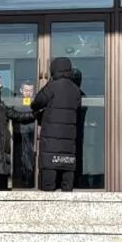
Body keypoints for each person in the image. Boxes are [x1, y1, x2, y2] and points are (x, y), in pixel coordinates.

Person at [31, 57, 82, 192]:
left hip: (51, 143)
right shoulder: (76, 90)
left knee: (48, 185)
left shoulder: (52, 87)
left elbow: (36, 103)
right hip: (69, 144)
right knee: (67, 186)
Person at [12, 81, 37, 188]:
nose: (28, 93)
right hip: (19, 133)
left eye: (31, 91)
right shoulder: (16, 101)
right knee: (21, 157)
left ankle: (29, 178)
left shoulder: (36, 101)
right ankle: (23, 179)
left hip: (34, 133)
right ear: (21, 90)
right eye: (26, 90)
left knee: (31, 156)